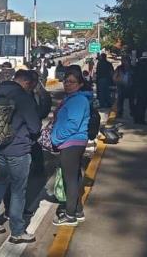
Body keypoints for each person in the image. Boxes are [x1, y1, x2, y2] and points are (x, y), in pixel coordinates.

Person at [0, 69, 41, 243]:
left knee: (0, 185)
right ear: (27, 83)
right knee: (17, 191)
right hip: (18, 149)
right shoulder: (23, 97)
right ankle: (17, 231)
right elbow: (35, 126)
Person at [51, 69, 92, 226]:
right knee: (74, 177)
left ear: (80, 84)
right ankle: (78, 210)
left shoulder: (78, 100)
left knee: (70, 181)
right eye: (66, 81)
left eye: (72, 82)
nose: (67, 84)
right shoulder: (71, 98)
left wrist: (56, 137)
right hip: (71, 142)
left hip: (72, 142)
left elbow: (73, 125)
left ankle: (70, 215)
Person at [133, 52, 147, 125]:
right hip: (143, 88)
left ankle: (137, 119)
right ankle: (140, 119)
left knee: (139, 104)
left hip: (138, 88)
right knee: (142, 104)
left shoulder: (138, 65)